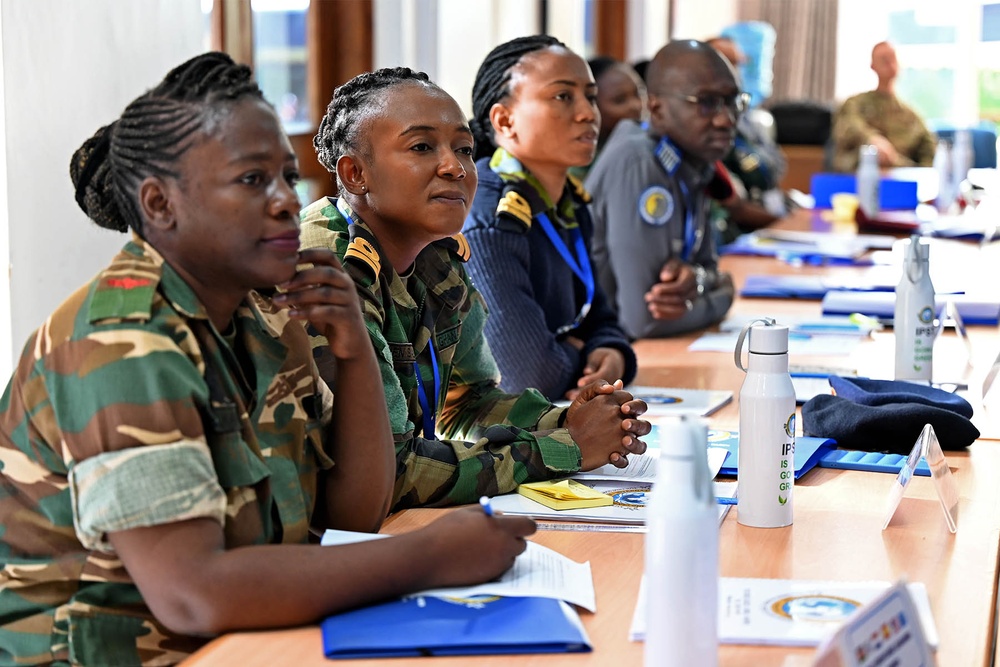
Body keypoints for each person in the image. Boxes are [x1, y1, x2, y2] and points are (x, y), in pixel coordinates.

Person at [0, 53, 537, 665]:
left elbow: (354, 517)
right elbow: (192, 594)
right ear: (159, 205)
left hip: (254, 639)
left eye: (286, 175)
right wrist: (430, 556)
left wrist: (355, 346)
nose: (286, 201)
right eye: (252, 180)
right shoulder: (121, 338)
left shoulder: (265, 313)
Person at [302, 67, 650, 512]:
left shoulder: (436, 257)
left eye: (464, 149)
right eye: (422, 147)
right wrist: (566, 447)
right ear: (355, 174)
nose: (454, 167)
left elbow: (464, 405)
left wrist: (570, 420)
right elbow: (389, 470)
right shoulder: (326, 273)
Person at [462, 35, 637, 402]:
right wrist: (578, 352)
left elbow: (599, 316)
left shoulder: (568, 205)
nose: (588, 112)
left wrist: (612, 354)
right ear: (505, 120)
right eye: (563, 96)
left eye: (590, 95)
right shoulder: (490, 221)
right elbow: (528, 378)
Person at [585, 40, 738, 339]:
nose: (726, 119)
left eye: (733, 101)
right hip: (607, 360)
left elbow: (705, 266)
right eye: (706, 102)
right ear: (656, 108)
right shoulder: (639, 163)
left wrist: (700, 279)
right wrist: (724, 295)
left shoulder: (690, 161)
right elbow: (644, 320)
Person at [706, 35, 789, 241]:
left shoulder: (749, 118)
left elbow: (777, 165)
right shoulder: (704, 126)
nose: (734, 70)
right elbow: (734, 205)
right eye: (726, 62)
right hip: (735, 232)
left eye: (736, 63)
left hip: (769, 215)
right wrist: (785, 225)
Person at [832, 41, 937, 172]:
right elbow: (849, 125)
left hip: (901, 177)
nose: (889, 63)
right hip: (858, 174)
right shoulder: (855, 104)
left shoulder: (911, 116)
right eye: (883, 59)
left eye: (892, 58)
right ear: (872, 65)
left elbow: (929, 151)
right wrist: (872, 140)